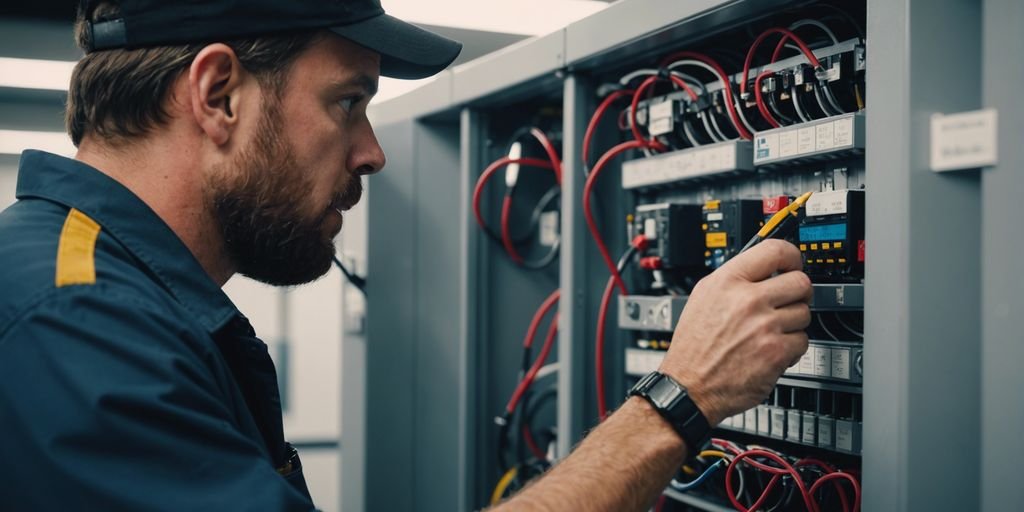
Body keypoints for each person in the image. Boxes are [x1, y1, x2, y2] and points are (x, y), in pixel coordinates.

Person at [0, 1, 811, 510]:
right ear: (217, 95)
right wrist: (680, 397)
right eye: (347, 102)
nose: (373, 153)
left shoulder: (97, 290)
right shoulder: (76, 321)